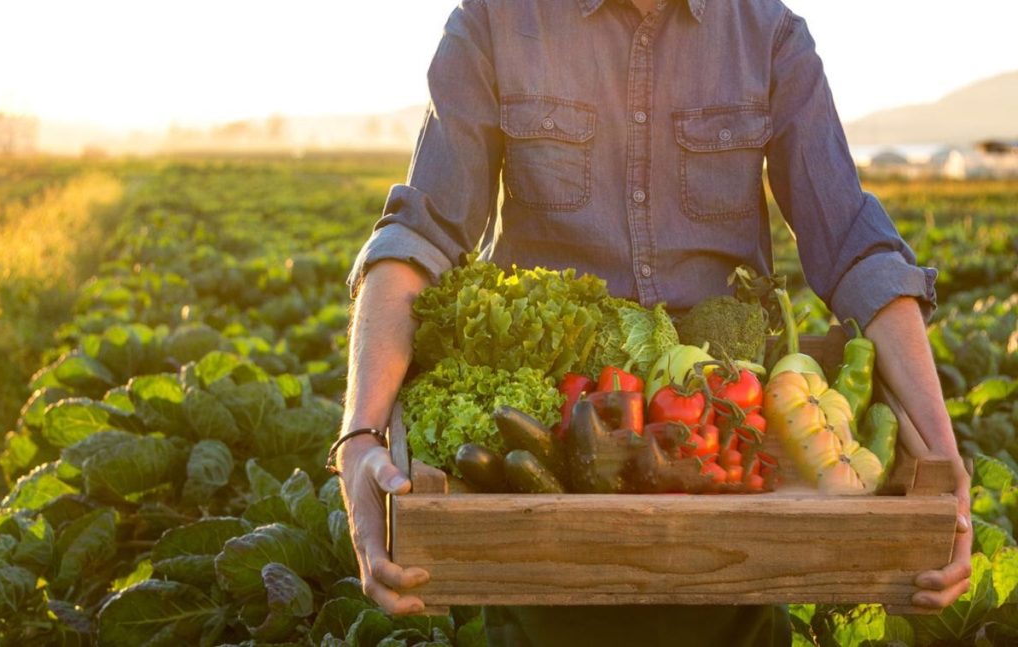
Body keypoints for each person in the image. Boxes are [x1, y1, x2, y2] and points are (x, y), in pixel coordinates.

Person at [330, 0, 972, 644]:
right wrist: (360, 437)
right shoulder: (496, 21)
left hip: (728, 450)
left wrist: (943, 464)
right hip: (549, 463)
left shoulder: (768, 34)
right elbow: (420, 235)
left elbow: (856, 248)